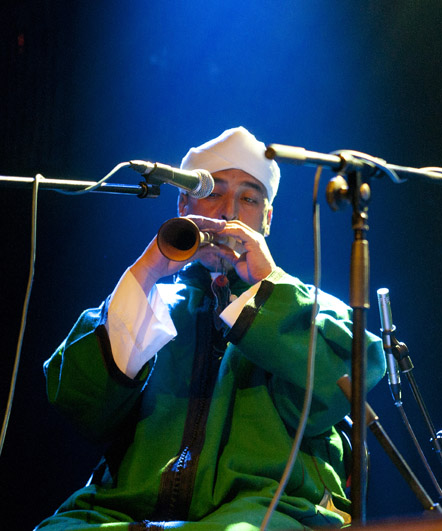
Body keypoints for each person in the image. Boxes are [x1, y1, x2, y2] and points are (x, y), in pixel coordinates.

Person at [35, 127, 386, 530]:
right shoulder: (146, 303)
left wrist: (267, 284)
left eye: (249, 199)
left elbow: (339, 386)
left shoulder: (312, 305)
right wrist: (146, 272)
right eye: (213, 192)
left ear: (266, 219)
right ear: (184, 202)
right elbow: (83, 408)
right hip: (128, 510)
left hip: (268, 509)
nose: (228, 212)